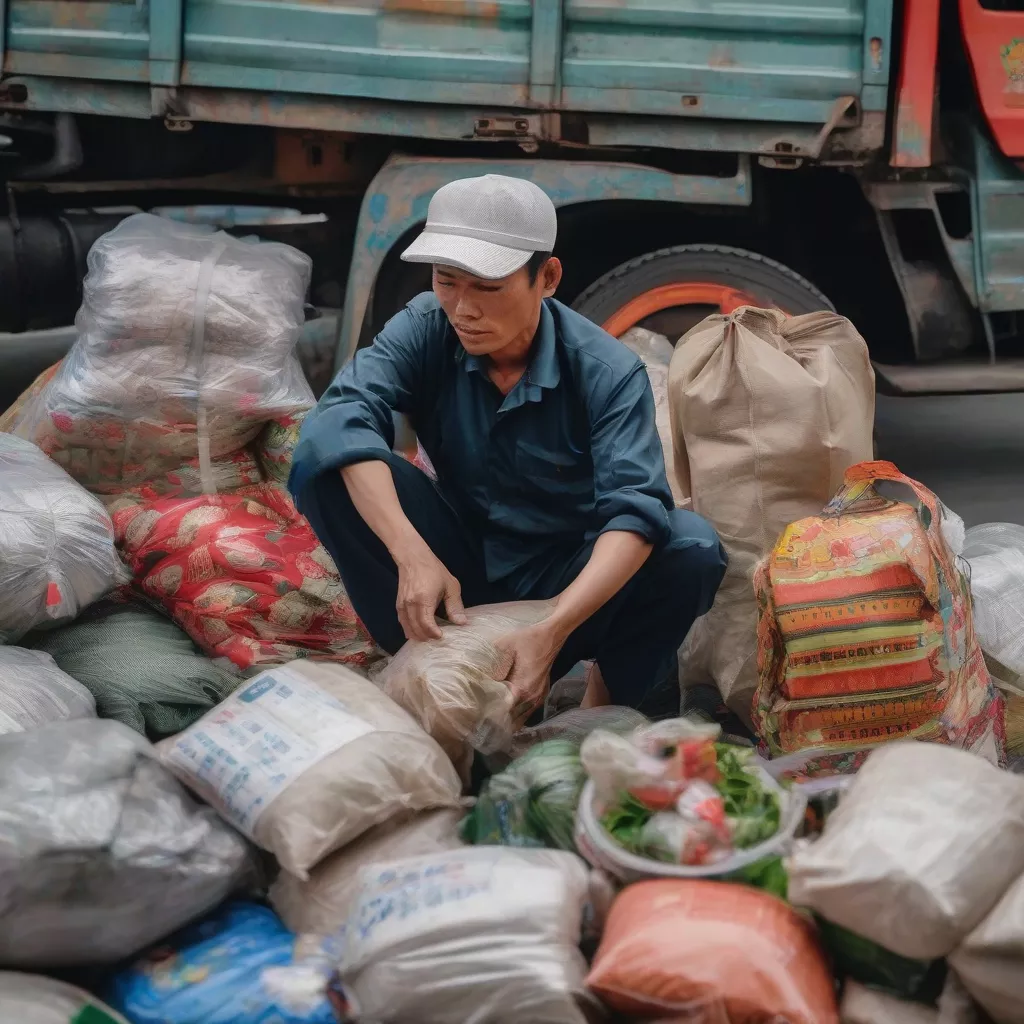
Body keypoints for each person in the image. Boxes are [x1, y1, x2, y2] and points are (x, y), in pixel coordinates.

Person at [289, 173, 726, 716]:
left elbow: (634, 513)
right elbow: (339, 420)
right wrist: (412, 554)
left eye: (489, 288)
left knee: (690, 547)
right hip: (455, 568)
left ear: (547, 277)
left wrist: (552, 628)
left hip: (564, 582)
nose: (463, 309)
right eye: (447, 282)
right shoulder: (426, 325)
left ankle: (596, 709)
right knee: (331, 462)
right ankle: (425, 671)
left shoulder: (607, 371)